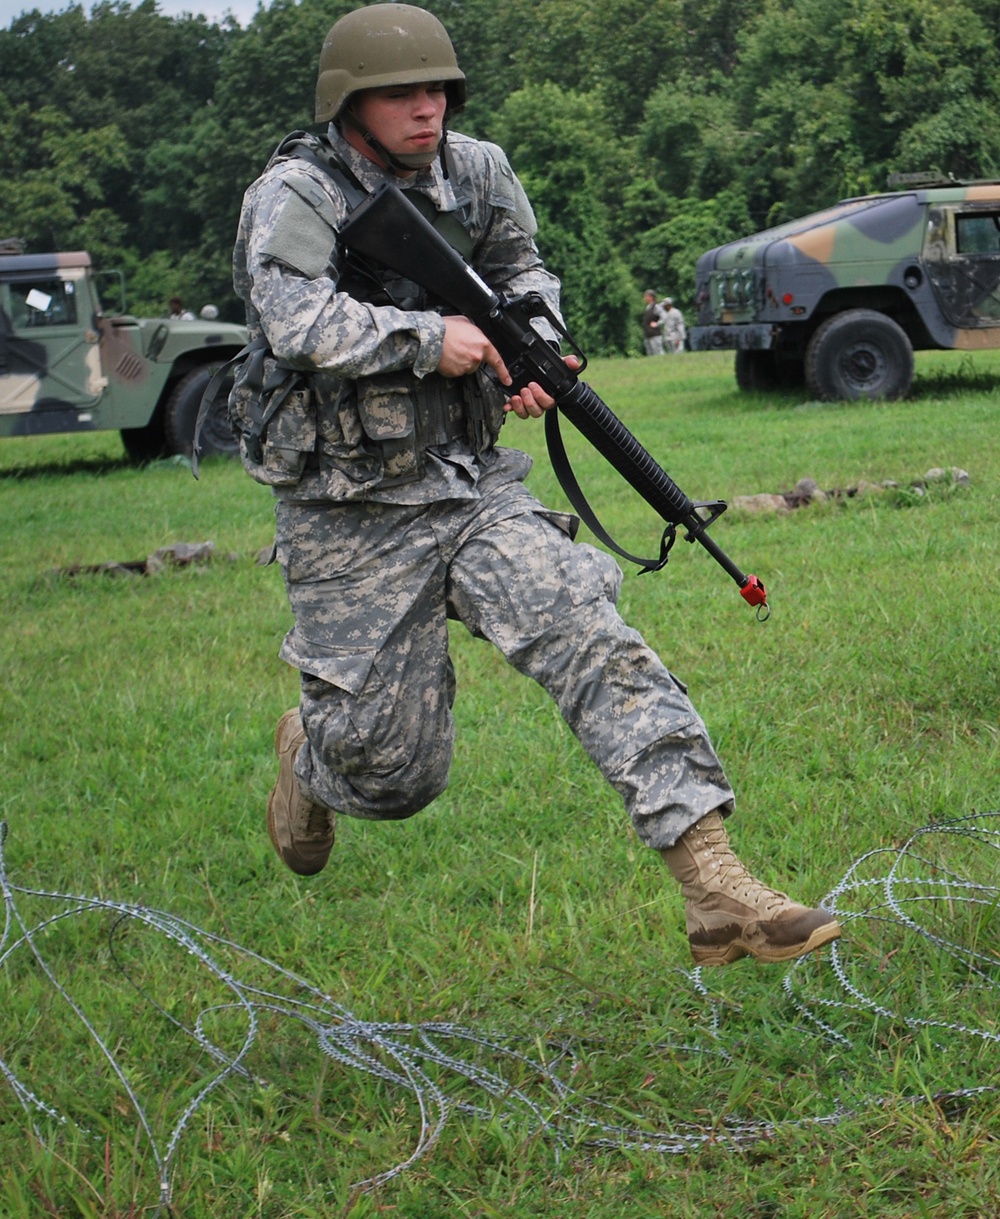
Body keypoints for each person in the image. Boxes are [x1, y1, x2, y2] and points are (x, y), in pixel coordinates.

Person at [231, 3, 840, 968]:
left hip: (471, 486)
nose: (426, 109)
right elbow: (293, 319)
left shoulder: (477, 171)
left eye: (437, 89)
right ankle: (309, 754)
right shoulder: (295, 193)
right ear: (350, 103)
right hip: (347, 508)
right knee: (394, 771)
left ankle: (717, 884)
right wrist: (435, 342)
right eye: (401, 93)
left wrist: (530, 348)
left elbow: (524, 273)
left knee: (591, 634)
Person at [641, 289, 666, 356]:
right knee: (650, 354)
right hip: (648, 334)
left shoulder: (656, 307)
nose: (644, 298)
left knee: (658, 352)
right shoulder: (647, 307)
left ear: (651, 297)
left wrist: (657, 323)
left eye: (646, 296)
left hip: (655, 334)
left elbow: (664, 317)